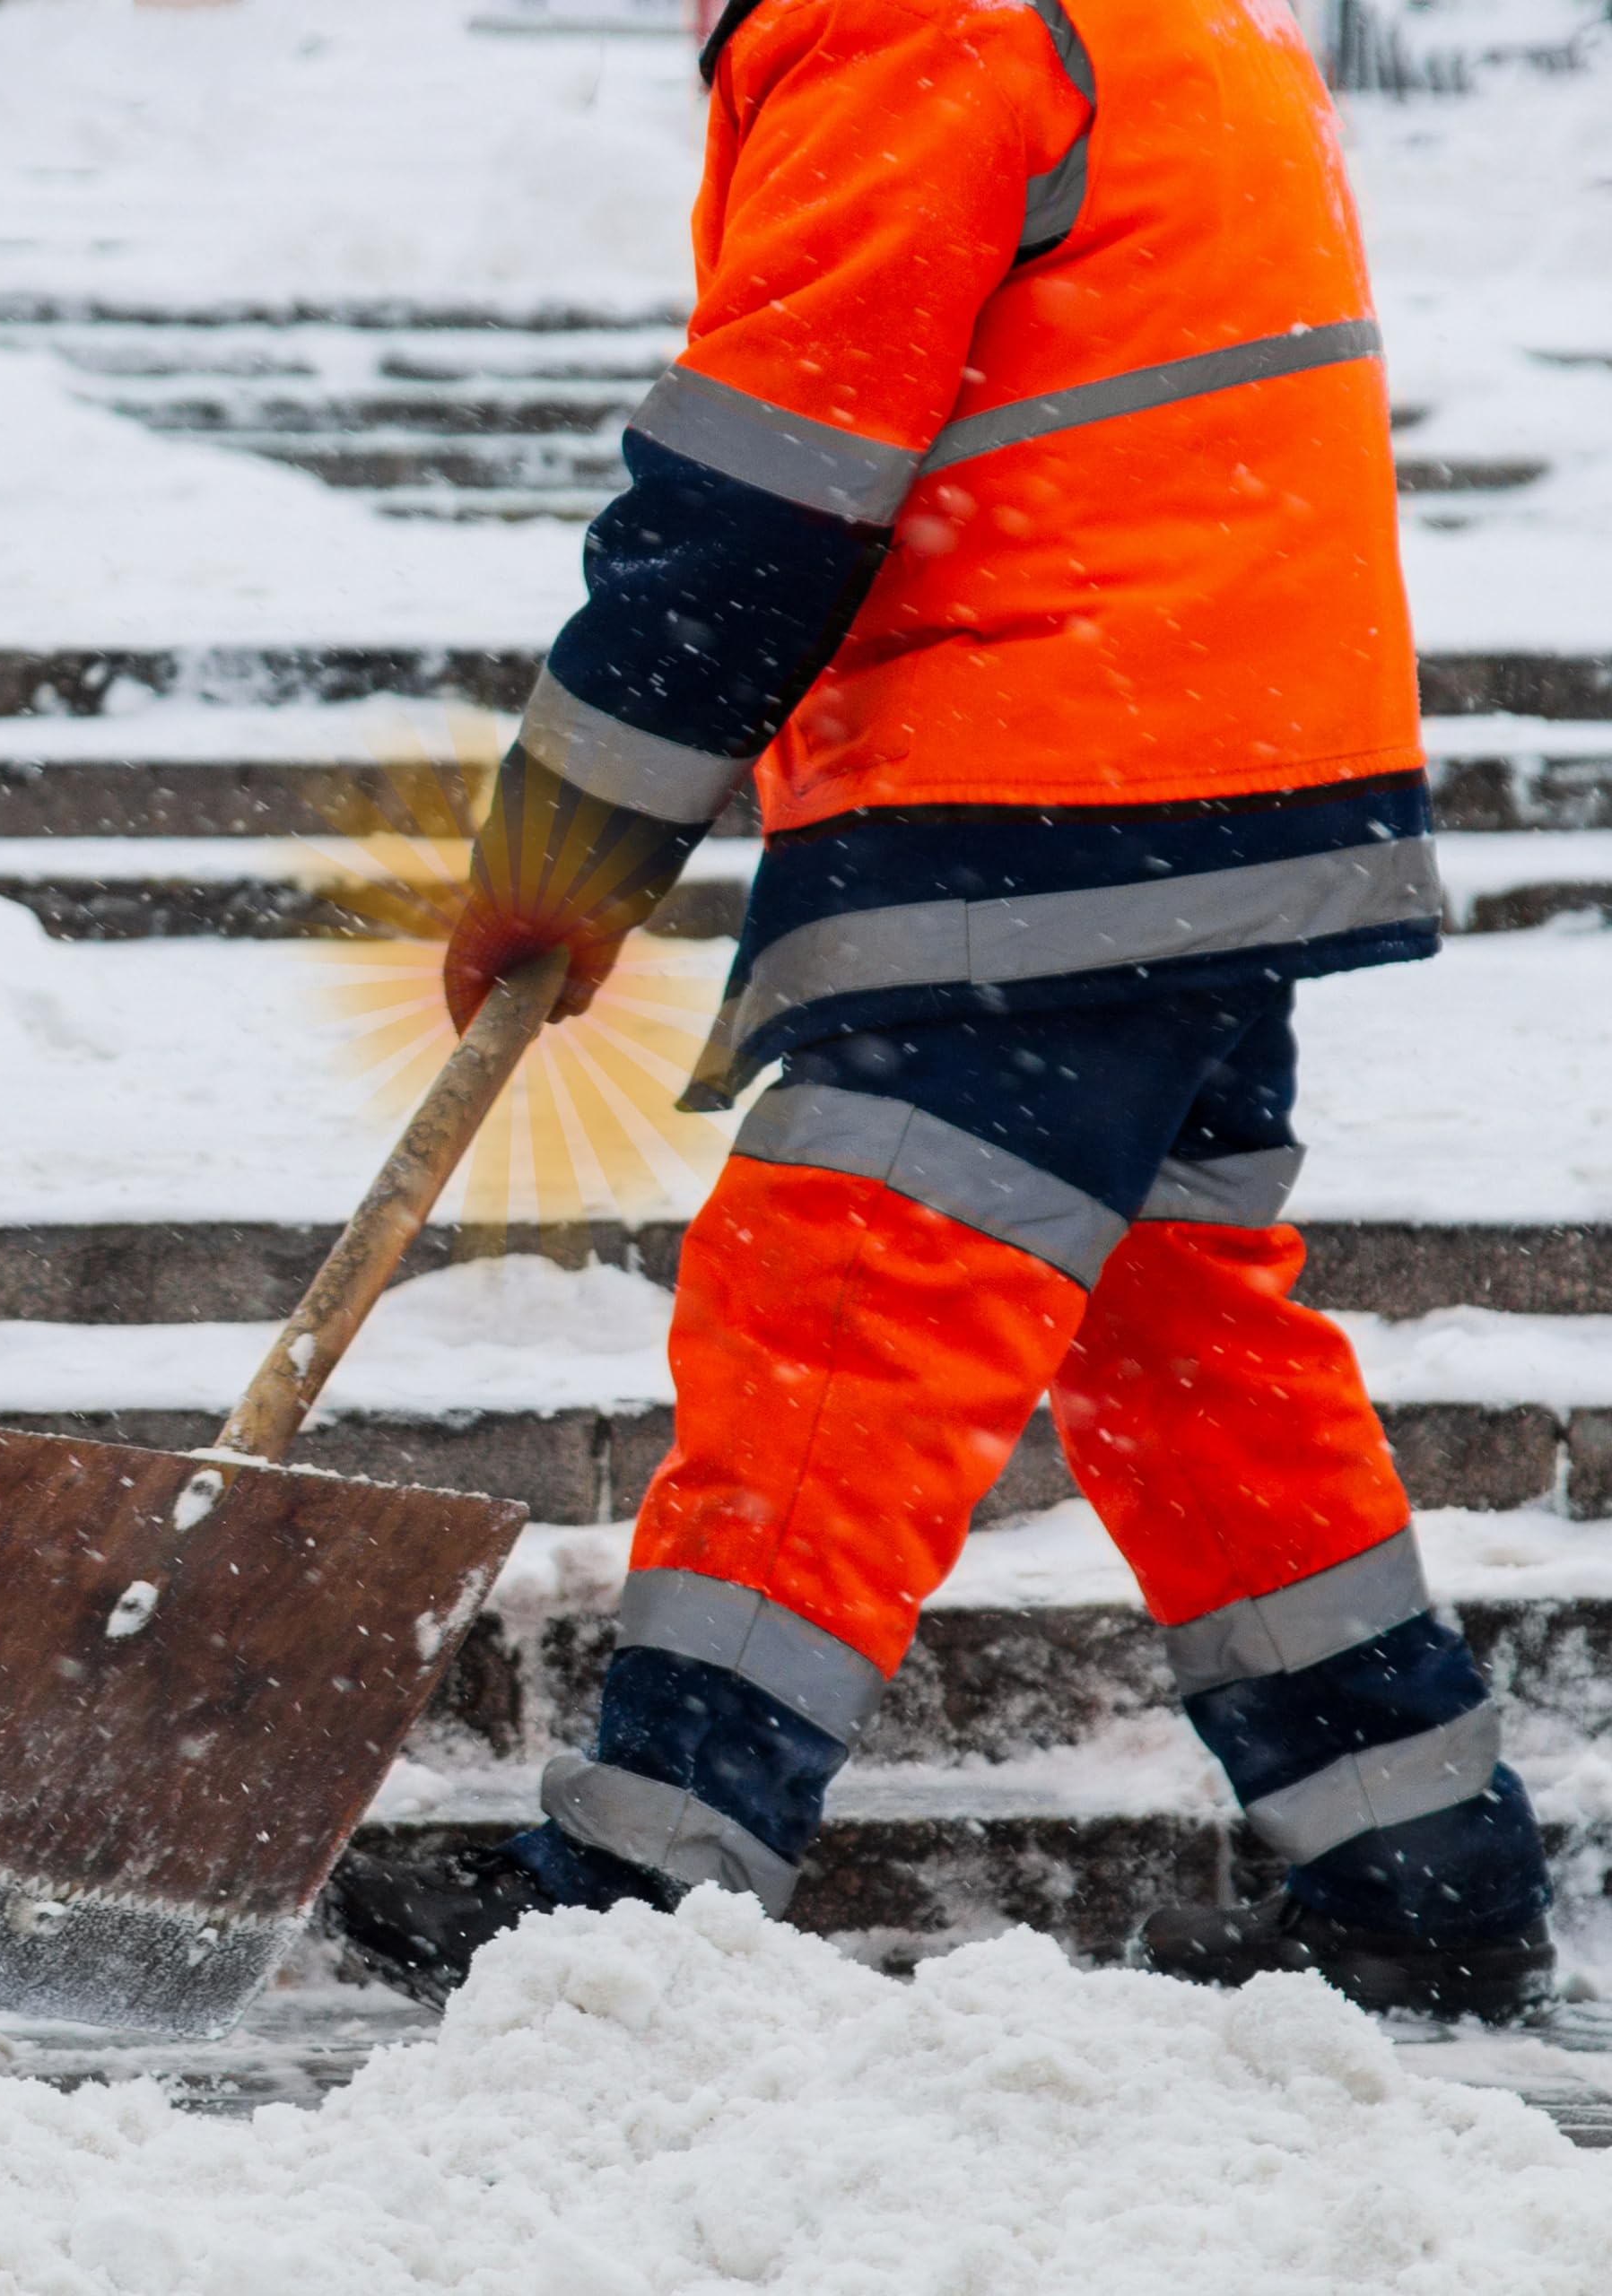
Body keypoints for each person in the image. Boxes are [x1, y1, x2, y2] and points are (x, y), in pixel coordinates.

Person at [327, 0, 1555, 2022]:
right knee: (1179, 1336)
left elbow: (756, 487)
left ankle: (640, 1891)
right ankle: (1416, 1865)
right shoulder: (1152, 15)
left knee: (836, 1312)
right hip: (1218, 762)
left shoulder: (924, 24)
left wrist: (560, 843)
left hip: (1046, 780)